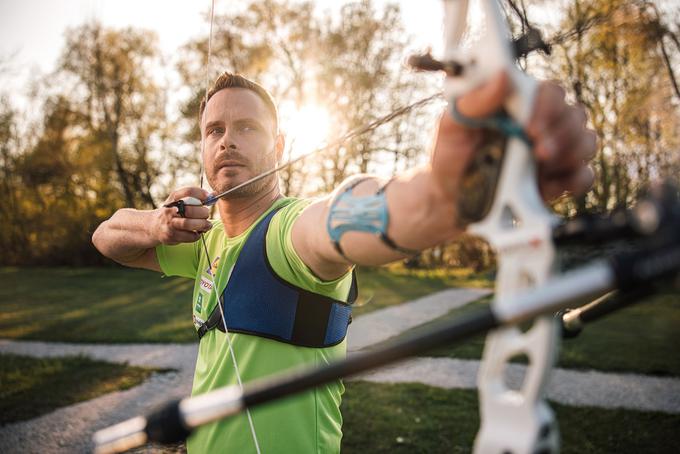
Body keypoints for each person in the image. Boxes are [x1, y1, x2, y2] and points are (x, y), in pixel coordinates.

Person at [92, 71, 595, 453]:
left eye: (247, 127)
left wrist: (445, 196)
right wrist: (157, 223)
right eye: (214, 130)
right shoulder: (203, 237)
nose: (227, 140)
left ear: (280, 146)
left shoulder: (287, 232)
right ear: (202, 147)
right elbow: (107, 235)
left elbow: (343, 220)